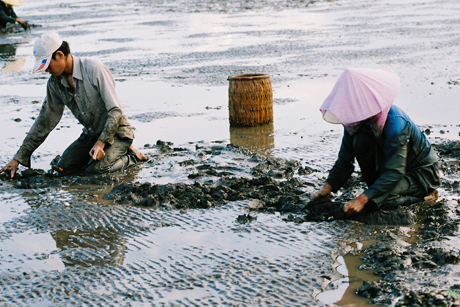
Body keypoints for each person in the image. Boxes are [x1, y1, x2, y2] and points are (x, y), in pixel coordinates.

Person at [0, 32, 147, 178]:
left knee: (96, 171)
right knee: (63, 169)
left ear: (59, 55)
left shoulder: (94, 68)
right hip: (90, 135)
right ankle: (101, 155)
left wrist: (101, 143)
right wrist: (18, 158)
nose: (45, 70)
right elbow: (45, 121)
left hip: (117, 134)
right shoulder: (55, 83)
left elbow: (116, 111)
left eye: (47, 64)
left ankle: (132, 156)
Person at [311, 68, 440, 216]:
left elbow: (394, 171)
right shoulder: (355, 122)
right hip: (390, 168)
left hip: (419, 174)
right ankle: (378, 187)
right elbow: (344, 160)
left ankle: (425, 197)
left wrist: (362, 199)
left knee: (378, 201)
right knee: (359, 141)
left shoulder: (396, 124)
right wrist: (326, 189)